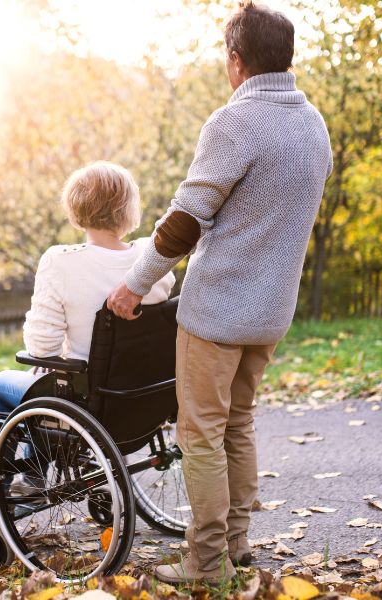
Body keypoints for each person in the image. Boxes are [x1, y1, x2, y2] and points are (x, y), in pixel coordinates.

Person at [106, 1, 332, 584]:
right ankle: (235, 547)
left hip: (219, 310)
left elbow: (186, 220)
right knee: (239, 423)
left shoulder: (235, 121)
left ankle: (207, 564)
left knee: (200, 434)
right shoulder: (313, 124)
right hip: (272, 310)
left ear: (236, 60)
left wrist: (134, 284)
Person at [0, 160, 175, 513]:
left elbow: (41, 346)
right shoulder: (152, 260)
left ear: (76, 209)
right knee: (47, 381)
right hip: (146, 395)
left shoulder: (60, 262)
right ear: (129, 209)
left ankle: (7, 485)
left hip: (91, 401)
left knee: (2, 383)